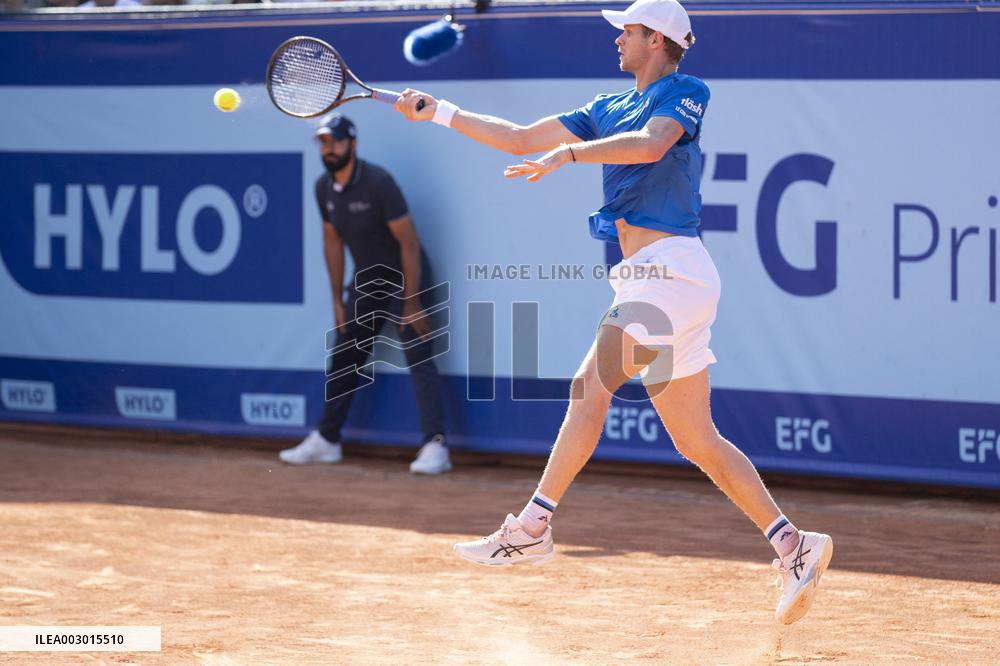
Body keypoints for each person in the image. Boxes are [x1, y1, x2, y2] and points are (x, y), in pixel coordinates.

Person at [395, 0, 832, 624]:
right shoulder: (604, 106)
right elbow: (521, 137)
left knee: (587, 386)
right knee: (696, 438)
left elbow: (654, 147)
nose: (618, 41)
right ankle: (794, 546)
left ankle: (534, 525)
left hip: (672, 272)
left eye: (627, 31)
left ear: (657, 39)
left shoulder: (686, 90)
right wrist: (439, 112)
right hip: (644, 281)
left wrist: (570, 157)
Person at [279, 114, 451, 475]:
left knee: (418, 353)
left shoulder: (378, 183)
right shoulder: (323, 188)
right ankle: (327, 439)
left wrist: (413, 301)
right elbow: (332, 242)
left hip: (407, 277)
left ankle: (435, 446)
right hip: (367, 282)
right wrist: (337, 303)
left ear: (352, 144)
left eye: (335, 141)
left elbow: (409, 242)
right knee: (344, 353)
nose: (329, 149)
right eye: (323, 142)